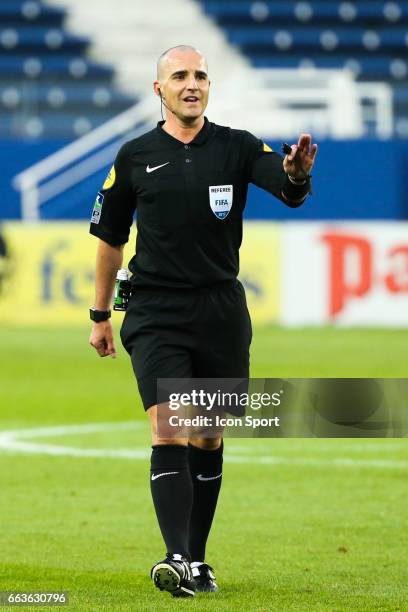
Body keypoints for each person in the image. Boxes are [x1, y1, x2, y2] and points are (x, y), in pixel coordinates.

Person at [89, 45, 317, 598]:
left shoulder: (236, 147)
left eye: (200, 75)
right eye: (180, 76)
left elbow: (285, 189)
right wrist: (101, 315)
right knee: (168, 423)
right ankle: (172, 556)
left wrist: (295, 175)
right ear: (159, 89)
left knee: (209, 436)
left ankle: (195, 558)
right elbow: (110, 240)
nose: (192, 84)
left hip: (219, 312)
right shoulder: (135, 155)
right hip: (155, 310)